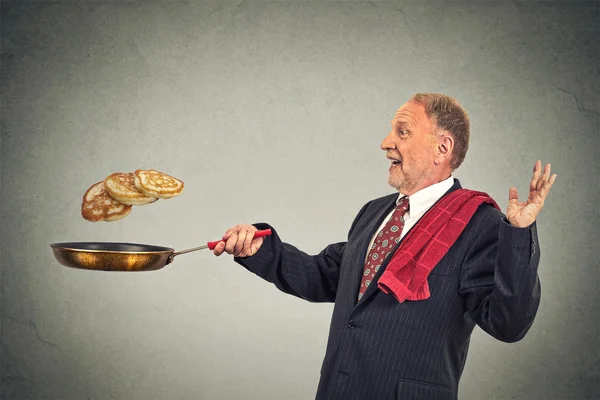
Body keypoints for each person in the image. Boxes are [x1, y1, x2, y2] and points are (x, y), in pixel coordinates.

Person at [213, 93, 557, 400]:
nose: (385, 142)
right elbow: (326, 275)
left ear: (442, 148)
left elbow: (508, 324)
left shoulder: (479, 223)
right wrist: (257, 248)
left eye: (402, 132)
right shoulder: (376, 211)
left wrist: (519, 233)